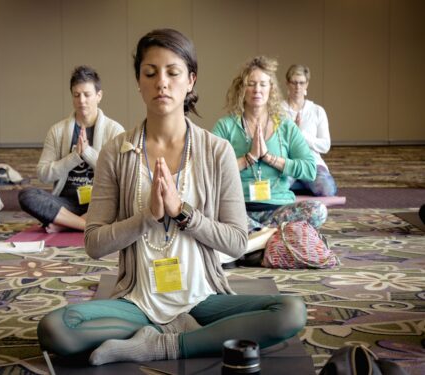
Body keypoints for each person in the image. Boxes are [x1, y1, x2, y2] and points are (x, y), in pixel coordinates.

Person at [37, 29, 306, 365]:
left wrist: (184, 213)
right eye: (150, 73)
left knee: (290, 311)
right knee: (56, 328)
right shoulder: (114, 153)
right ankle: (184, 335)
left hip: (202, 299)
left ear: (190, 80)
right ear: (138, 81)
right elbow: (94, 243)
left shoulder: (216, 151)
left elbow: (237, 243)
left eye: (172, 72)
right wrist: (144, 220)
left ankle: (166, 345)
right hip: (137, 301)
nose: (161, 83)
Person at [212, 56, 328, 265]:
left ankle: (251, 245)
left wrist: (270, 158)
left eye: (263, 84)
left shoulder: (285, 126)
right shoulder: (226, 125)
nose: (257, 90)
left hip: (278, 209)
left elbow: (310, 169)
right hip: (239, 210)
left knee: (318, 210)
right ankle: (274, 242)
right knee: (209, 213)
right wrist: (249, 158)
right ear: (242, 89)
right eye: (251, 84)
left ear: (271, 89)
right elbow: (211, 172)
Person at [18, 66, 124, 232]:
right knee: (27, 196)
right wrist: (74, 157)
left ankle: (64, 225)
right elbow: (43, 174)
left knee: (124, 201)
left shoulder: (114, 130)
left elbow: (120, 174)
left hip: (100, 202)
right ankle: (82, 224)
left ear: (99, 96)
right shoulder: (57, 131)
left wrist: (87, 153)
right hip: (66, 204)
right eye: (76, 95)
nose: (81, 100)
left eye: (87, 95)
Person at [281, 64, 337, 196]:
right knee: (269, 192)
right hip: (287, 163)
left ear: (307, 84)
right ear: (287, 83)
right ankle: (304, 184)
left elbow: (325, 146)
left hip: (311, 163)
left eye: (301, 83)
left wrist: (301, 135)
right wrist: (291, 134)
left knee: (328, 190)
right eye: (294, 82)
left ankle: (300, 183)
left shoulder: (317, 111)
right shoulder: (278, 111)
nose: (298, 87)